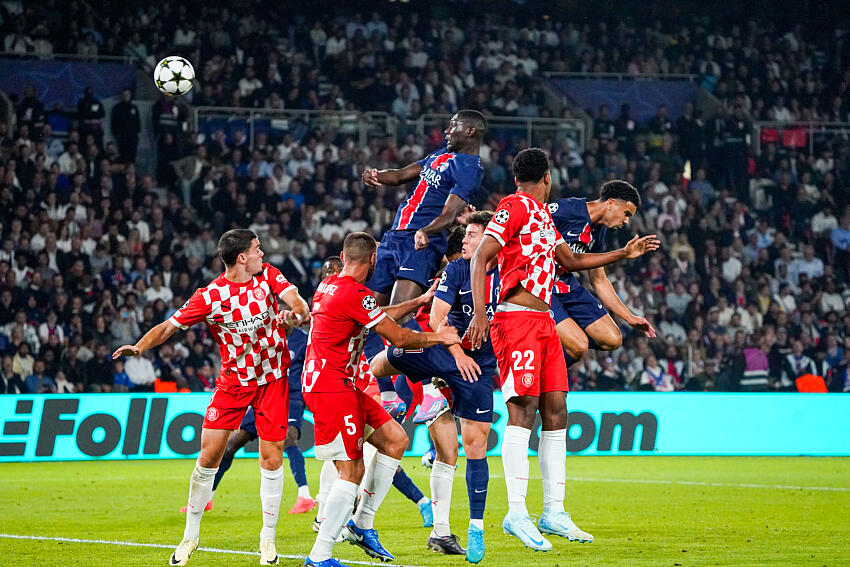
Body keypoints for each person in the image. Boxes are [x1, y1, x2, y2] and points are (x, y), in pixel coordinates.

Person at [468, 148, 658, 551]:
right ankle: (516, 512)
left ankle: (553, 511)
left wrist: (623, 253)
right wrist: (482, 314)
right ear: (547, 177)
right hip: (516, 318)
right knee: (523, 411)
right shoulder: (514, 205)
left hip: (542, 323)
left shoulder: (541, 216)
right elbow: (482, 256)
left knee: (556, 410)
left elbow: (571, 260)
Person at [112, 229, 311, 566]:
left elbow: (300, 305)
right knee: (208, 456)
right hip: (233, 383)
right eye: (258, 249)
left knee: (271, 458)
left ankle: (268, 540)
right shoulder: (210, 296)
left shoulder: (269, 277)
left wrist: (295, 315)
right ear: (242, 257)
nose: (263, 253)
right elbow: (169, 326)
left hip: (272, 381)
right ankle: (190, 537)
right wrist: (140, 346)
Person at [303, 232, 460, 567]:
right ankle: (320, 555)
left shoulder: (330, 286)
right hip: (330, 388)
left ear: (344, 257)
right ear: (373, 259)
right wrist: (440, 337)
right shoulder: (354, 293)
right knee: (351, 470)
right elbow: (399, 336)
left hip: (341, 383)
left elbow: (377, 312)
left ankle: (361, 525)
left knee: (395, 439)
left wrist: (419, 301)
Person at [369, 211, 498, 563]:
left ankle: (455, 530)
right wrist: (457, 355)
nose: (466, 241)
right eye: (467, 235)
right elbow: (439, 320)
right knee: (386, 358)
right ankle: (383, 393)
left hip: (479, 369)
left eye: (473, 235)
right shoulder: (455, 270)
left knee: (462, 450)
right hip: (444, 355)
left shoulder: (506, 274)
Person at [361, 110, 486, 412]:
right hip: (394, 238)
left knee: (401, 315)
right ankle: (389, 397)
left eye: (453, 126)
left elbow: (448, 214)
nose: (446, 130)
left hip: (423, 243)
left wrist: (426, 231)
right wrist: (378, 176)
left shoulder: (469, 168)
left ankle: (431, 392)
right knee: (366, 316)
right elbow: (402, 174)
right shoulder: (441, 155)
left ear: (470, 131)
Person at [178, 321, 315, 515]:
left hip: (291, 398)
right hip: (266, 396)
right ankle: (207, 498)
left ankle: (305, 496)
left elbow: (313, 367)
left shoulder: (304, 340)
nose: (281, 316)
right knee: (231, 444)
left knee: (288, 438)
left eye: (286, 312)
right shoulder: (268, 336)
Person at [548, 181, 657, 366]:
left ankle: (554, 346)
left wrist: (630, 317)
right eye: (626, 214)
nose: (626, 221)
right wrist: (622, 253)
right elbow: (528, 222)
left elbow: (598, 280)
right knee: (578, 345)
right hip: (541, 286)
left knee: (612, 339)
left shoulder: (599, 232)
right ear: (611, 203)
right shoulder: (566, 209)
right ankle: (545, 372)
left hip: (566, 286)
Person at [110, 88, 142, 163]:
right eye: (124, 95)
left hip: (133, 136)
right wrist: (117, 134)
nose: (126, 97)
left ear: (130, 95)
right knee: (123, 156)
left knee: (132, 156)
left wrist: (137, 132)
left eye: (127, 95)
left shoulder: (134, 108)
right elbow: (114, 123)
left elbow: (137, 121)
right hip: (122, 137)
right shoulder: (117, 108)